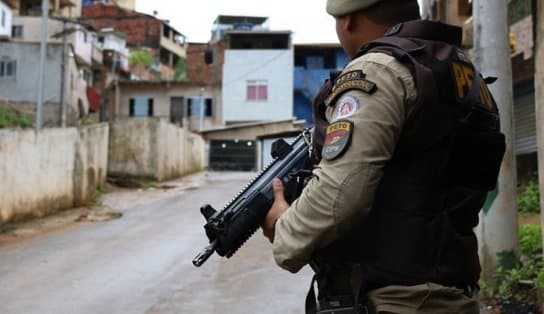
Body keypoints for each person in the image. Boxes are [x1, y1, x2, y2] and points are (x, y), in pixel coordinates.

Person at [261, 0, 506, 313]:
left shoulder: (377, 70)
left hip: (393, 302)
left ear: (347, 20)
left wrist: (284, 227)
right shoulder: (464, 74)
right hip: (453, 296)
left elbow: (342, 191)